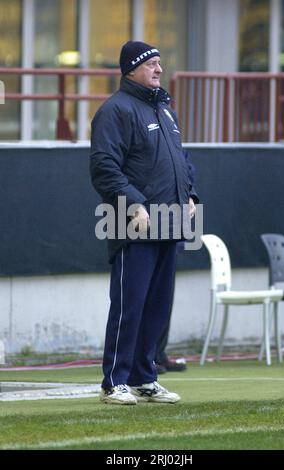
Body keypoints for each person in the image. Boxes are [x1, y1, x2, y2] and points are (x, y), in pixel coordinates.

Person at [90, 40, 198, 405]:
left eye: (160, 62)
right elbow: (104, 168)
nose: (159, 69)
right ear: (132, 68)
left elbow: (181, 160)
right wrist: (134, 204)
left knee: (157, 306)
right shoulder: (115, 111)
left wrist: (192, 197)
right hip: (132, 225)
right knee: (130, 304)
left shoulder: (166, 111)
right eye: (152, 63)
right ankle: (113, 382)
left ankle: (144, 378)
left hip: (170, 222)